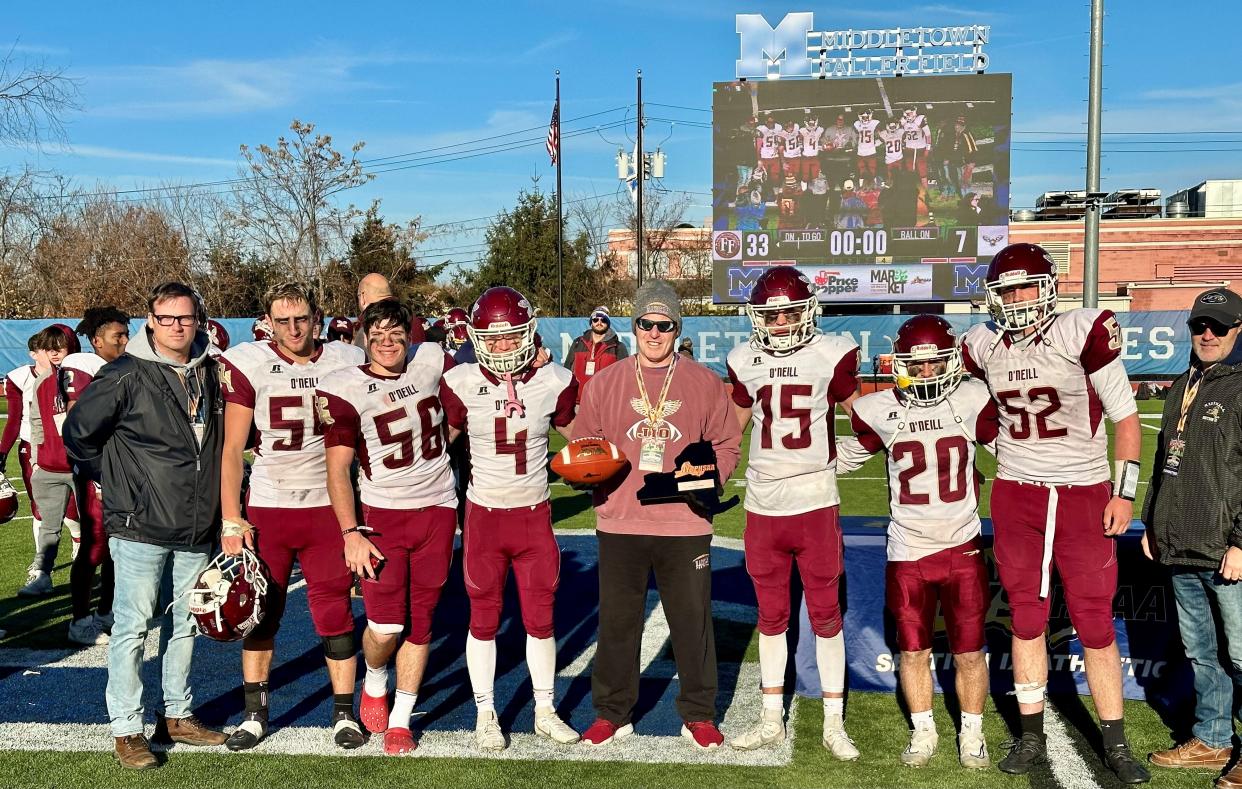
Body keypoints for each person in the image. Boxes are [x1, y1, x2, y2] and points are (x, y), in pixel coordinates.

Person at [959, 244, 1149, 783]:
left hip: (1082, 491)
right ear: (993, 297)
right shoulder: (983, 345)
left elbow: (1126, 420)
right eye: (1007, 290)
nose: (1017, 299)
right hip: (1018, 493)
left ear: (1047, 286)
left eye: (1025, 286)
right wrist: (1004, 453)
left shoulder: (1079, 330)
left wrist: (1123, 493)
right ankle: (1030, 737)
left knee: (1093, 620)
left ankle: (1115, 740)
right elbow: (976, 414)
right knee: (1025, 617)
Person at [64, 281, 227, 770]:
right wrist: (116, 484)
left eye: (186, 317)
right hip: (140, 524)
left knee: (186, 625)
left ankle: (177, 714)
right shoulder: (123, 373)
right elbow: (78, 434)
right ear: (151, 322)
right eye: (167, 318)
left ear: (197, 319)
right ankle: (127, 729)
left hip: (197, 521)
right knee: (132, 629)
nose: (178, 326)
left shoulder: (212, 372)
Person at [574, 279, 742, 751]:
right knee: (618, 624)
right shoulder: (606, 382)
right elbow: (584, 440)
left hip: (685, 523)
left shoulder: (704, 382)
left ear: (676, 328)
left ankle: (699, 713)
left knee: (692, 623)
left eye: (663, 325)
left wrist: (713, 476)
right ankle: (612, 712)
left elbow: (728, 443)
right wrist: (587, 471)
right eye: (646, 323)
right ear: (634, 326)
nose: (654, 333)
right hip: (620, 520)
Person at [837, 315, 998, 769]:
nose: (926, 373)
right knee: (913, 650)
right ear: (900, 365)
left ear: (950, 361)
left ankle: (972, 733)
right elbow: (844, 456)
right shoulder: (880, 409)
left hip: (962, 545)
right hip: (907, 549)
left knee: (969, 651)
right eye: (916, 364)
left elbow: (1013, 447)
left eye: (934, 363)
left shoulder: (971, 399)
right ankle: (924, 730)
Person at [216, 282, 368, 751]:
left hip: (327, 507)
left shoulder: (345, 358)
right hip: (270, 506)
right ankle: (255, 714)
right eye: (283, 321)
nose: (293, 328)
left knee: (335, 611)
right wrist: (231, 517)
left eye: (301, 318)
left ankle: (344, 713)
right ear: (269, 322)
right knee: (260, 613)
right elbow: (231, 450)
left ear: (317, 316)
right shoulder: (251, 363)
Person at [724, 267, 861, 758]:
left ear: (808, 311)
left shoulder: (831, 353)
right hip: (764, 505)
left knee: (826, 615)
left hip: (815, 502)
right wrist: (710, 468)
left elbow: (865, 419)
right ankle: (769, 720)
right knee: (771, 617)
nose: (779, 322)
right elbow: (732, 428)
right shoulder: (744, 359)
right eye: (770, 314)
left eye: (788, 312)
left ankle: (832, 723)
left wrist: (845, 456)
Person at [440, 286, 580, 751]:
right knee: (483, 619)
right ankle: (485, 713)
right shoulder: (459, 381)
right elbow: (440, 443)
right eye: (492, 339)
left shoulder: (554, 379)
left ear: (528, 333)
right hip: (484, 516)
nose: (501, 346)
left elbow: (578, 436)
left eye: (510, 337)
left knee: (542, 618)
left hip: (534, 515)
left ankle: (544, 709)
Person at [317, 298, 458, 756]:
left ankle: (401, 719)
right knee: (385, 627)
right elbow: (337, 468)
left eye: (396, 332)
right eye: (376, 334)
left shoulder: (431, 361)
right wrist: (350, 531)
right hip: (382, 517)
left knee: (422, 624)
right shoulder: (346, 386)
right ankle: (375, 679)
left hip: (438, 509)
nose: (387, 342)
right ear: (364, 338)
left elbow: (469, 398)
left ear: (409, 334)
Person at [1143, 287, 1242, 788]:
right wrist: (1151, 522)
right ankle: (1212, 738)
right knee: (1204, 653)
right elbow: (1165, 463)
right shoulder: (1183, 383)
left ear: (1238, 332)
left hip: (1228, 551)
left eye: (1220, 327)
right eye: (1201, 325)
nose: (1208, 334)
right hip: (1180, 544)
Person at [63, 308, 130, 643]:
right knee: (95, 544)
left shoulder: (123, 366)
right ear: (95, 340)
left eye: (125, 334)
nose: (124, 341)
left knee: (119, 544)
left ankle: (106, 611)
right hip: (96, 468)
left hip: (122, 467)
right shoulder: (82, 365)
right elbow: (80, 422)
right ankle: (79, 619)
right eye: (117, 335)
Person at [15, 327, 72, 596]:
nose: (56, 354)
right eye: (51, 349)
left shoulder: (86, 377)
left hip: (81, 468)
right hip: (50, 466)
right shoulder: (42, 382)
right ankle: (42, 574)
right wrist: (37, 461)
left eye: (61, 347)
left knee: (98, 528)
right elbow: (37, 423)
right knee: (48, 527)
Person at [563, 306, 629, 402]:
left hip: (605, 404)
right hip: (578, 403)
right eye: (595, 319)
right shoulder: (578, 343)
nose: (599, 323)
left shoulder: (618, 347)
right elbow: (567, 371)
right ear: (591, 322)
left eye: (603, 320)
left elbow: (624, 378)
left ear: (608, 323)